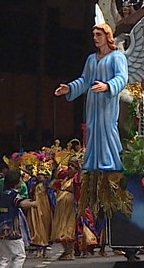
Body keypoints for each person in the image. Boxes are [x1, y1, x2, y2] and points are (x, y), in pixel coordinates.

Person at [55, 23, 128, 173]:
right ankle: (93, 162)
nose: (95, 38)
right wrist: (69, 88)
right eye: (94, 35)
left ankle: (112, 163)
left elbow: (122, 77)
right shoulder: (91, 59)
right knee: (92, 129)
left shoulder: (117, 57)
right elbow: (85, 80)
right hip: (92, 103)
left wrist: (108, 86)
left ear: (107, 36)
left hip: (106, 103)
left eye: (99, 34)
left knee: (107, 129)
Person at [0, 169, 37, 268]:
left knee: (5, 257)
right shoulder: (14, 194)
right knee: (20, 255)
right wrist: (34, 203)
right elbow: (21, 204)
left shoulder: (3, 194)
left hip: (1, 227)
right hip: (12, 229)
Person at [51, 157, 79, 260]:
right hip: (61, 207)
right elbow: (56, 176)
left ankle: (70, 251)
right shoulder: (65, 178)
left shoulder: (76, 179)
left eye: (73, 166)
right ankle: (66, 250)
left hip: (69, 206)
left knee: (68, 227)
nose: (70, 168)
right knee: (60, 227)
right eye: (69, 166)